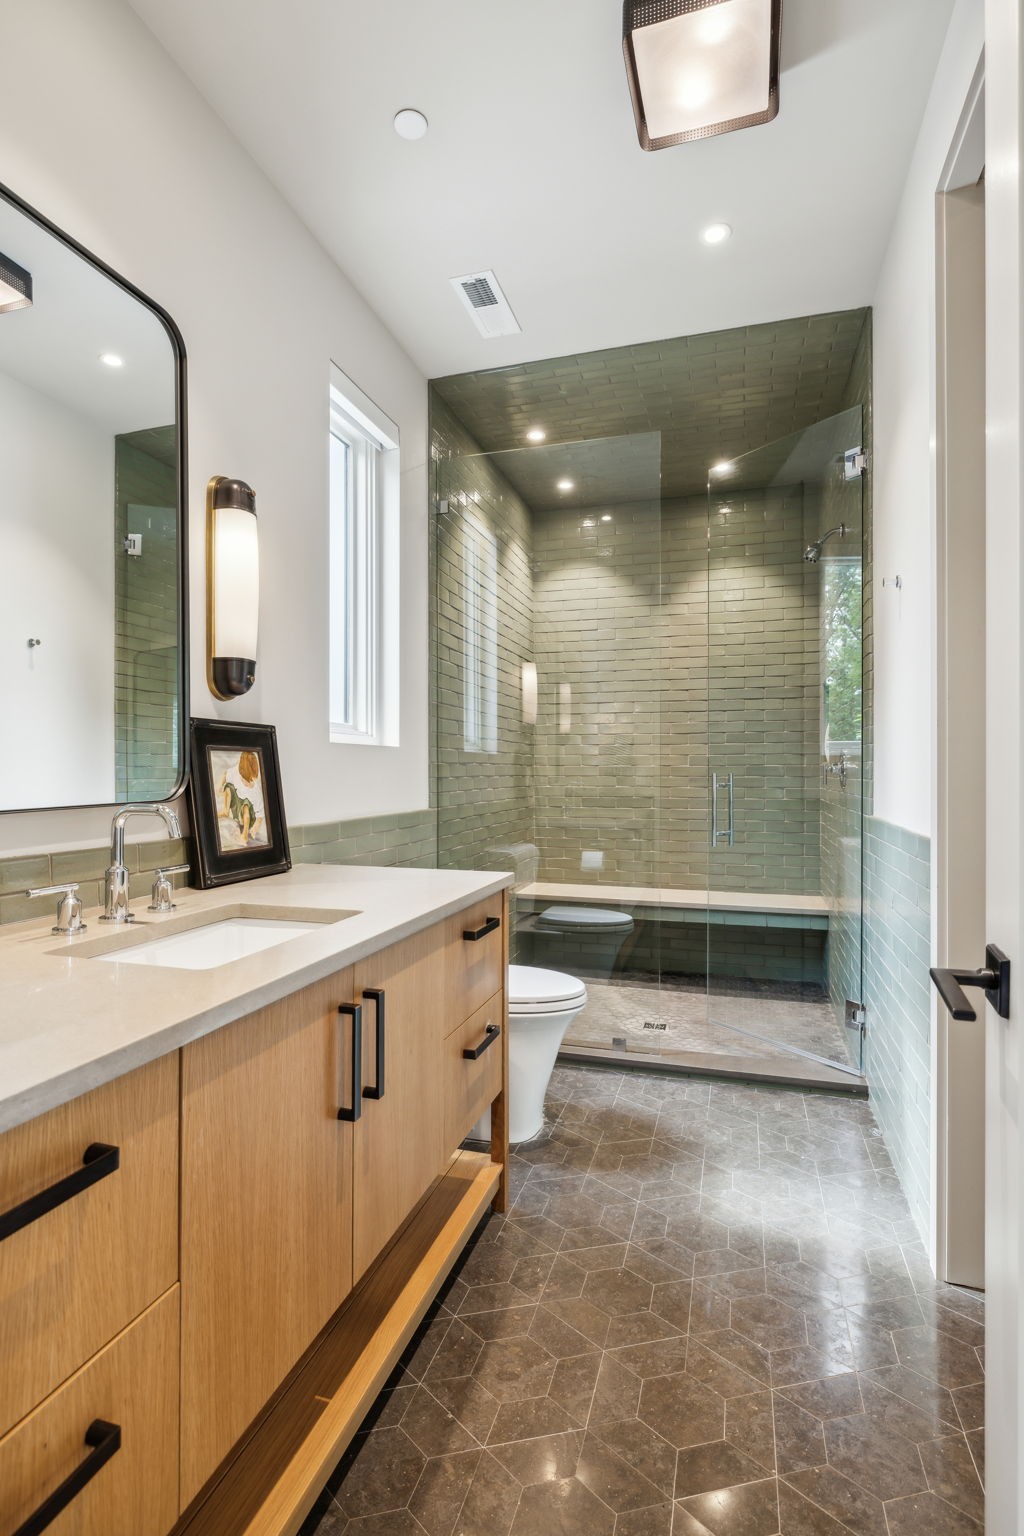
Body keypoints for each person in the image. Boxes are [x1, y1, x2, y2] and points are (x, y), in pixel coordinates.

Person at [219, 749, 265, 845]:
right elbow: (226, 773)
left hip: (249, 817)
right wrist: (220, 786)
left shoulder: (255, 788)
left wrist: (255, 828)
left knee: (246, 804)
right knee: (228, 787)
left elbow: (260, 812)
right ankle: (225, 811)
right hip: (237, 810)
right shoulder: (234, 773)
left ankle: (244, 835)